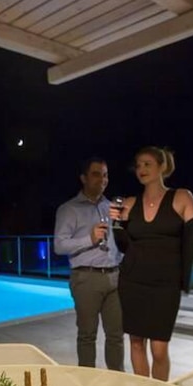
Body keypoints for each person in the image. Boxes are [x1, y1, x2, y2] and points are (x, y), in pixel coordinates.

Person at [109, 146, 193, 381]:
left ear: (162, 166)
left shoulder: (182, 197)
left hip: (165, 285)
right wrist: (116, 223)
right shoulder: (130, 202)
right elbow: (123, 246)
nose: (141, 169)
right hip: (133, 282)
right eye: (138, 165)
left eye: (147, 164)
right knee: (136, 342)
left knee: (159, 349)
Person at [54, 158, 124, 371]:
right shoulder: (69, 209)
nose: (102, 179)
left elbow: (119, 241)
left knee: (116, 335)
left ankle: (117, 379)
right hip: (87, 278)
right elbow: (59, 245)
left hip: (115, 277)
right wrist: (89, 239)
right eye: (96, 174)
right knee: (87, 335)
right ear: (83, 178)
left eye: (105, 174)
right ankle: (87, 382)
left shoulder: (110, 207)